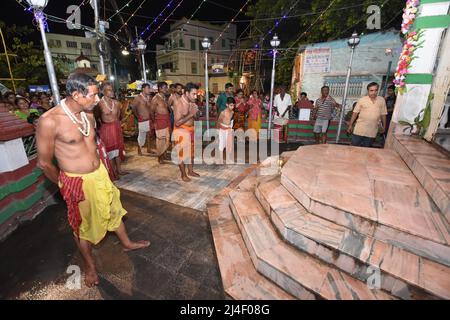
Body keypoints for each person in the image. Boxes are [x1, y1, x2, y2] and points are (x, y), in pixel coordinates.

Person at [36, 73, 149, 287]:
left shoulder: (88, 114)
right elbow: (44, 163)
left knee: (114, 209)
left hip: (100, 175)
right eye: (93, 95)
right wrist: (63, 185)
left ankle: (127, 243)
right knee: (83, 227)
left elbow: (92, 144)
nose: (97, 100)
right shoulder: (49, 121)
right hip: (77, 182)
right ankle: (89, 266)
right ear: (77, 95)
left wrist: (103, 168)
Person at [95, 82, 127, 179]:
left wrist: (118, 125)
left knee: (118, 150)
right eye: (109, 90)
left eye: (112, 89)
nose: (112, 91)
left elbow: (119, 116)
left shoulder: (117, 103)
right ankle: (113, 172)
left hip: (116, 128)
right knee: (110, 152)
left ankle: (120, 170)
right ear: (103, 91)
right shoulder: (99, 104)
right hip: (106, 129)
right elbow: (97, 118)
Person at [172, 82, 200, 182]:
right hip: (181, 131)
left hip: (191, 130)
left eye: (196, 94)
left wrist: (196, 112)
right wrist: (190, 114)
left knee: (191, 153)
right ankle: (183, 174)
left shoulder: (192, 102)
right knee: (181, 155)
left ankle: (190, 171)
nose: (196, 96)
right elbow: (177, 122)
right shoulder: (178, 103)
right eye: (194, 94)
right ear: (187, 93)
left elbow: (196, 117)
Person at [347, 82, 387, 147]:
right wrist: (350, 125)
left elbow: (383, 114)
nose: (374, 92)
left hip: (372, 131)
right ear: (368, 91)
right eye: (371, 90)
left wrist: (384, 127)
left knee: (367, 150)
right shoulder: (362, 100)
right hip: (359, 130)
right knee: (353, 148)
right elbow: (355, 113)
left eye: (376, 90)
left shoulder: (381, 100)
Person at [150, 82, 171, 164]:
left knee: (166, 138)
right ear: (160, 88)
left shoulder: (164, 97)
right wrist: (154, 121)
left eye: (167, 87)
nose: (166, 89)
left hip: (166, 120)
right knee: (161, 140)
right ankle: (160, 157)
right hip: (159, 121)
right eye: (165, 87)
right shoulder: (155, 99)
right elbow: (151, 112)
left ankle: (164, 154)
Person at [131, 83, 152, 155]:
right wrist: (137, 116)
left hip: (149, 119)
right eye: (148, 88)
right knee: (141, 136)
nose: (149, 90)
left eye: (149, 88)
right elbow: (133, 108)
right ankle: (139, 150)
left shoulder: (149, 97)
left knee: (149, 135)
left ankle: (149, 149)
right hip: (142, 119)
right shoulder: (138, 98)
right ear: (143, 89)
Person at [218, 97, 235, 163]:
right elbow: (219, 121)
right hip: (222, 130)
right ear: (227, 104)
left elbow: (231, 121)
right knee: (222, 144)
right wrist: (219, 130)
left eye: (233, 105)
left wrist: (230, 128)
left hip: (229, 129)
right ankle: (221, 160)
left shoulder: (232, 112)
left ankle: (228, 159)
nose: (232, 107)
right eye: (231, 105)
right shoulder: (223, 113)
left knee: (229, 144)